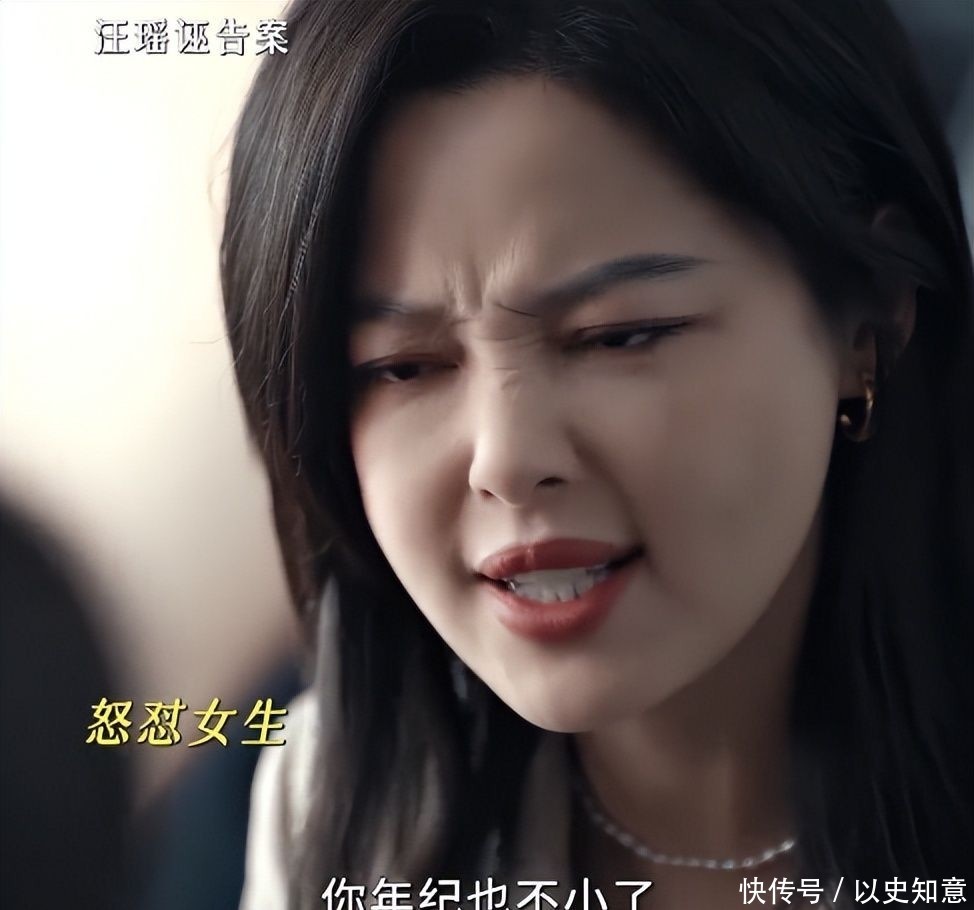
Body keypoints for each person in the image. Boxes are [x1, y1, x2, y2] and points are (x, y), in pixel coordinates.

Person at [220, 1, 973, 907]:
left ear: (869, 322)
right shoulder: (341, 804)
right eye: (401, 367)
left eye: (620, 336)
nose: (505, 461)